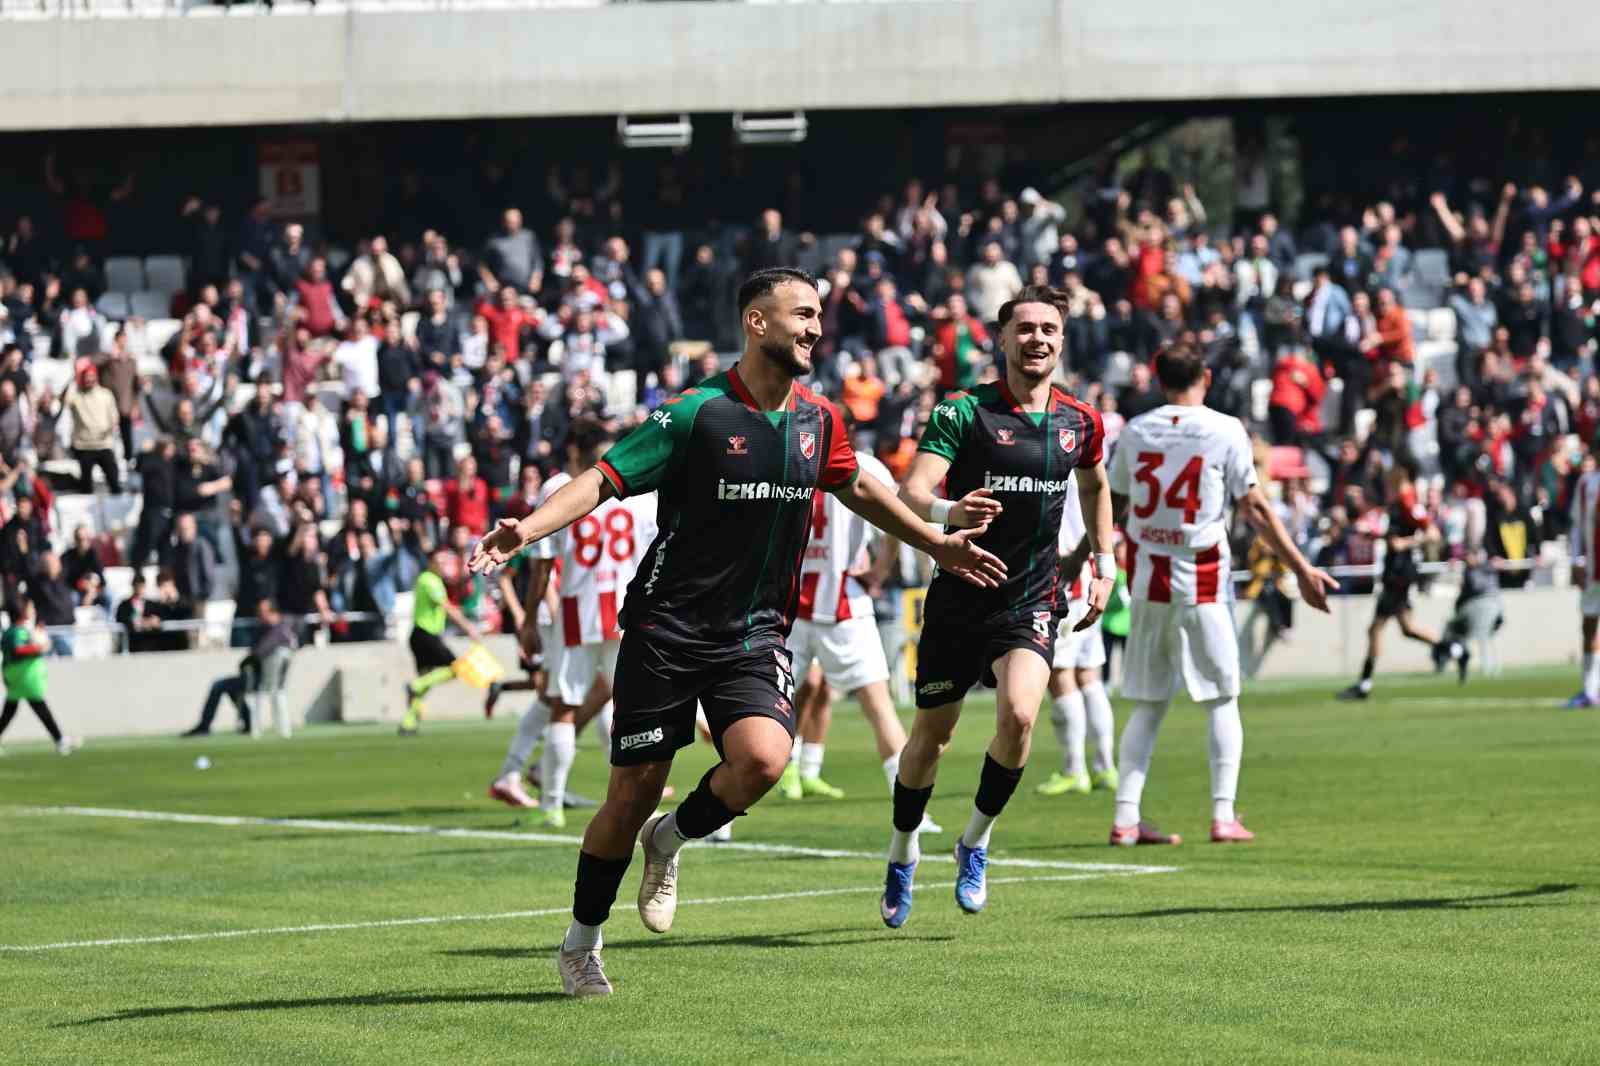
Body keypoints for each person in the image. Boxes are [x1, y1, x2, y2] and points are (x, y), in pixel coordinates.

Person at [468, 267, 1003, 997]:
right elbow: (600, 480)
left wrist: (934, 540)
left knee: (762, 760)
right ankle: (581, 943)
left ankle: (673, 837)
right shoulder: (695, 415)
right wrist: (523, 531)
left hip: (752, 636)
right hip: (665, 631)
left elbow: (865, 491)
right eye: (801, 315)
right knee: (629, 795)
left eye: (818, 317)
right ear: (757, 322)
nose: (816, 329)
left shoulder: (820, 421)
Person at [880, 285, 1114, 929]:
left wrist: (1105, 559)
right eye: (1025, 328)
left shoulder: (1081, 420)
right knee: (933, 737)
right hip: (959, 593)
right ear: (1002, 339)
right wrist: (946, 513)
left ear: (1062, 340)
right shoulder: (964, 411)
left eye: (1049, 329)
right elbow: (912, 489)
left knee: (1018, 716)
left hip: (1033, 596)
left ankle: (975, 841)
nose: (1037, 338)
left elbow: (1096, 488)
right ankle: (903, 851)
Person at [1107, 343, 1337, 846]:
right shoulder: (1224, 429)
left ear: (1156, 378)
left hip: (1147, 575)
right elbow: (1253, 507)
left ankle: (1126, 818)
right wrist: (1300, 568)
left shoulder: (1136, 430)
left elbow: (1115, 503)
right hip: (1203, 576)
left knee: (1147, 700)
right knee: (1222, 698)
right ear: (1205, 377)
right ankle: (1222, 814)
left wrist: (1087, 559)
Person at [776, 435, 941, 835]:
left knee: (765, 708)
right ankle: (912, 814)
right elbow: (897, 519)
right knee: (879, 709)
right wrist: (880, 572)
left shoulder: (779, 458)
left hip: (785, 605)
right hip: (843, 604)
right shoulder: (863, 464)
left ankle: (720, 815)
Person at [503, 427, 658, 829]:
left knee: (564, 707)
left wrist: (530, 617)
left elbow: (542, 562)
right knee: (634, 709)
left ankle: (550, 804)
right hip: (626, 613)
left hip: (577, 612)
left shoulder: (562, 490)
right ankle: (633, 801)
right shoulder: (641, 493)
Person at [1337, 465, 1465, 700]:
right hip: (1394, 572)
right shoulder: (1397, 505)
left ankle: (1364, 684)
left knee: (1375, 628)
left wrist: (1405, 544)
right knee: (1407, 629)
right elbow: (1395, 535)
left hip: (1399, 573)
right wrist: (1376, 535)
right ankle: (1456, 649)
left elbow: (1433, 533)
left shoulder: (1408, 502)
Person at [1035, 471, 1118, 797]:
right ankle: (1105, 766)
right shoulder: (1083, 467)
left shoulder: (1049, 459)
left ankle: (1075, 769)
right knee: (1089, 676)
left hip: (1059, 573)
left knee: (1060, 675)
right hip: (1085, 573)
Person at [182, 600, 298, 736]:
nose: (260, 616)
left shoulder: (279, 630)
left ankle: (205, 726)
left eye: (262, 613)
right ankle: (247, 721)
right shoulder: (273, 629)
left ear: (273, 612)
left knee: (219, 685)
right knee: (230, 687)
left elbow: (259, 652)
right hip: (259, 678)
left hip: (259, 680)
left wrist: (248, 660)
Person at [400, 546, 482, 735]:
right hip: (426, 634)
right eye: (440, 562)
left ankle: (408, 722)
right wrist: (468, 627)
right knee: (456, 668)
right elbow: (447, 607)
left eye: (446, 562)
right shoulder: (430, 581)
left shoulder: (425, 580)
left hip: (419, 635)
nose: (444, 566)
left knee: (425, 679)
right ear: (431, 563)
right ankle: (414, 686)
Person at [0, 597, 77, 755]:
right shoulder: (18, 631)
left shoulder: (14, 631)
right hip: (25, 677)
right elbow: (18, 650)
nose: (33, 610)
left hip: (17, 677)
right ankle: (60, 740)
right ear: (22, 610)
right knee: (39, 707)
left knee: (10, 711)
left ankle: (60, 739)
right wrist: (39, 648)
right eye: (30, 607)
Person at [1566, 456, 1600, 708]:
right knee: (1589, 626)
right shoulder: (1587, 484)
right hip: (1593, 569)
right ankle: (1590, 690)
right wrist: (1576, 560)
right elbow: (1577, 525)